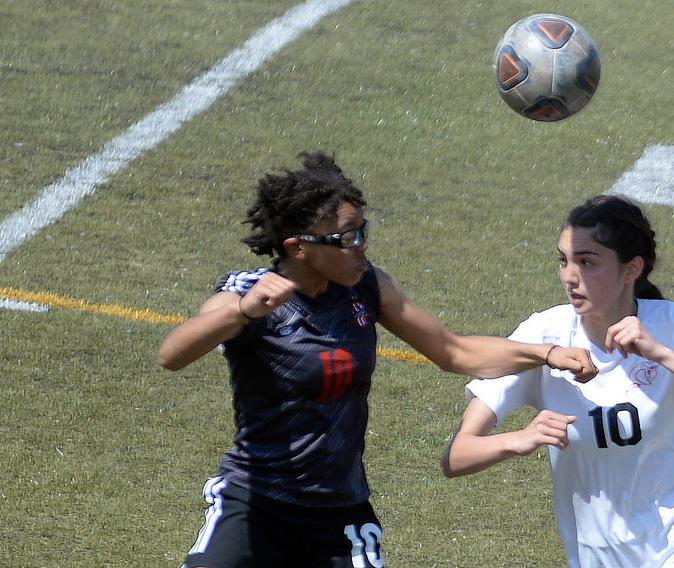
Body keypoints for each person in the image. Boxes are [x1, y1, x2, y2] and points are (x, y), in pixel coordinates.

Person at [157, 151, 596, 568]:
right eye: (347, 238)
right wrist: (242, 311)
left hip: (338, 509)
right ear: (298, 248)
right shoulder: (249, 294)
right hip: (256, 500)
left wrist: (547, 354)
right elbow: (172, 354)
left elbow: (454, 351)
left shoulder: (367, 286)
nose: (361, 247)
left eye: (362, 231)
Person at [441, 195, 674, 568]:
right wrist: (521, 439)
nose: (570, 276)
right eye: (564, 260)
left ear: (631, 269)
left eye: (587, 262)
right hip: (598, 556)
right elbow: (457, 456)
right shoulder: (544, 335)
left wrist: (661, 353)